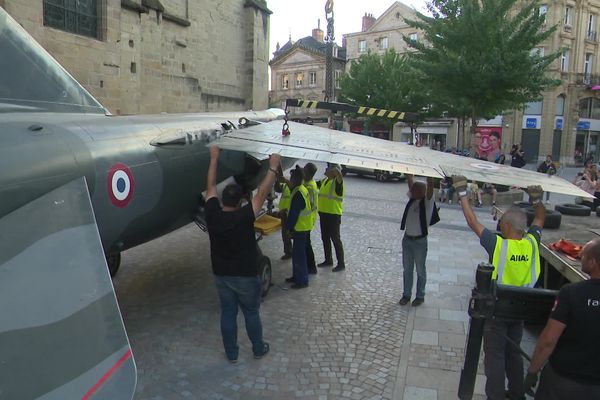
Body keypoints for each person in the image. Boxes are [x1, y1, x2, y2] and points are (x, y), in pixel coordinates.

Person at [454, 175, 546, 400]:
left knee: (494, 356)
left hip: (498, 308)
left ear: (508, 226)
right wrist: (536, 200)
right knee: (513, 353)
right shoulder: (532, 243)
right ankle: (517, 394)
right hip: (520, 309)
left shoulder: (498, 244)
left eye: (502, 222)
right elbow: (541, 218)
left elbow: (472, 222)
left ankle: (494, 396)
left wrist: (462, 193)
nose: (500, 225)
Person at [204, 145, 279, 363]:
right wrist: (272, 168)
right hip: (246, 276)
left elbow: (209, 185)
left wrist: (214, 158)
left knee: (228, 313)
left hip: (222, 276)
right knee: (251, 313)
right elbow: (262, 192)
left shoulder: (212, 214)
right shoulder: (245, 216)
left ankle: (231, 353)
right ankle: (258, 348)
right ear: (240, 202)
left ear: (222, 200)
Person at [523, 238, 600, 400]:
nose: (580, 259)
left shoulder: (571, 293)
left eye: (584, 256)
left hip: (563, 381)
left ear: (593, 262)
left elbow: (548, 340)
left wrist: (532, 371)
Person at [398, 174, 435, 306]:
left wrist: (430, 178)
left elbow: (430, 188)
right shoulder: (412, 200)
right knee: (407, 269)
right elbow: (410, 183)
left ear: (421, 192)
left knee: (420, 270)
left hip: (419, 241)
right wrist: (409, 176)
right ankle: (406, 295)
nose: (411, 191)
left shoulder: (427, 203)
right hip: (407, 239)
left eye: (414, 189)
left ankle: (420, 295)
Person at [284, 165, 313, 289]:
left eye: (291, 178)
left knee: (299, 255)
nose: (290, 180)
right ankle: (296, 276)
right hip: (304, 226)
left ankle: (302, 280)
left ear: (295, 179)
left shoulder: (298, 193)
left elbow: (294, 214)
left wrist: (288, 228)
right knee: (298, 254)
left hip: (300, 228)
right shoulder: (301, 189)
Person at [317, 164, 346, 272]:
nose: (325, 169)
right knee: (325, 238)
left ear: (334, 172)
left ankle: (341, 263)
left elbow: (340, 178)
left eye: (328, 168)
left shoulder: (337, 183)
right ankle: (328, 260)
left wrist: (337, 171)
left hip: (333, 215)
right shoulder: (325, 180)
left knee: (335, 239)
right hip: (324, 213)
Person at [303, 163, 319, 275]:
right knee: (306, 244)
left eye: (304, 171)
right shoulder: (309, 183)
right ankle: (310, 266)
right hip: (307, 220)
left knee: (306, 245)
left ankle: (311, 267)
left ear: (308, 173)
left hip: (306, 220)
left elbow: (310, 204)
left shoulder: (309, 186)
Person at [275, 172, 292, 260]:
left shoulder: (295, 186)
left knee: (289, 233)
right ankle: (288, 251)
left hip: (289, 213)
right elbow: (278, 189)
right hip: (284, 213)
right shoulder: (286, 185)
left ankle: (291, 252)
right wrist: (277, 180)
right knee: (285, 234)